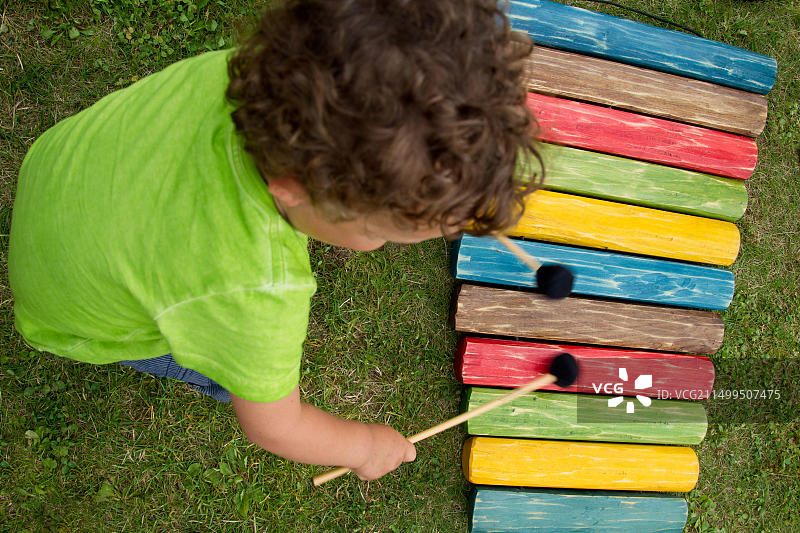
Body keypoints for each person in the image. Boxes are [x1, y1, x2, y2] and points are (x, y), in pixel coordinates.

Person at [8, 0, 542, 481]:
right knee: (233, 375)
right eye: (377, 234)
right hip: (68, 314)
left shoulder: (254, 74)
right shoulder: (255, 290)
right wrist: (363, 444)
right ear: (289, 188)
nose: (378, 246)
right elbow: (276, 426)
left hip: (59, 173)